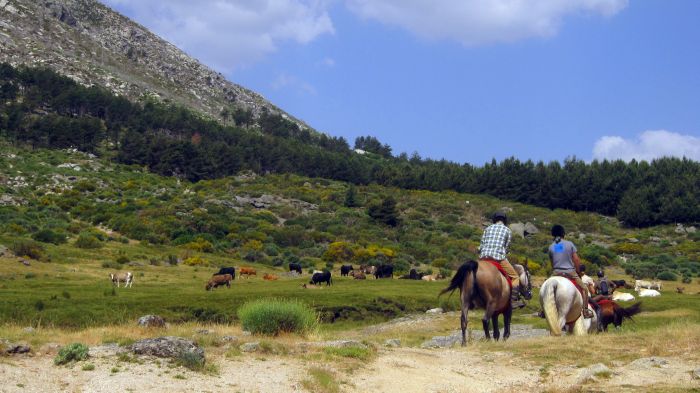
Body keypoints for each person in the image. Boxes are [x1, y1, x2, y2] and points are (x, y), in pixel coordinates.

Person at [478, 211, 524, 308]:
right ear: (504, 220)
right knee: (515, 277)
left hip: (483, 257)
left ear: (494, 219)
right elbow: (506, 248)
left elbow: (481, 245)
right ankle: (513, 301)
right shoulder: (507, 230)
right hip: (498, 258)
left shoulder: (488, 228)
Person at [547, 225, 594, 318]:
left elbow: (552, 262)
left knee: (546, 289)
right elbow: (576, 260)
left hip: (556, 273)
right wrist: (578, 272)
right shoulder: (569, 244)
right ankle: (585, 311)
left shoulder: (551, 246)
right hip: (570, 272)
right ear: (563, 233)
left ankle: (543, 310)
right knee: (585, 289)